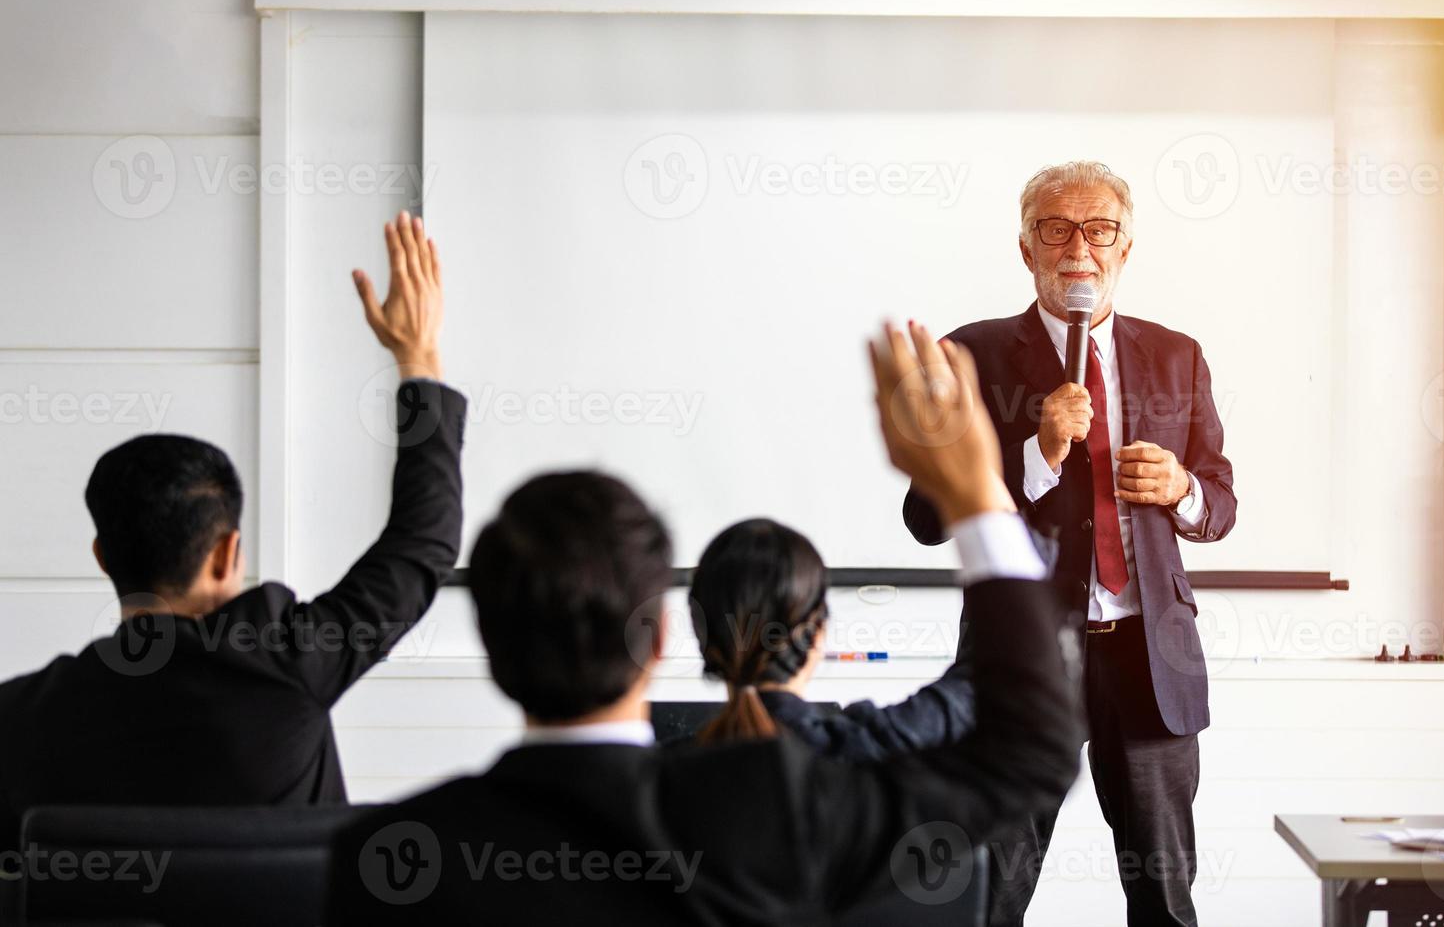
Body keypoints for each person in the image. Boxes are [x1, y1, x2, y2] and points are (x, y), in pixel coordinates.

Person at [327, 322, 1084, 925]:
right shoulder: (777, 811)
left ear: (489, 644)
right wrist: (977, 491)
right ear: (658, 639)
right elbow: (1032, 755)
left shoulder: (394, 860)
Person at [0, 213, 464, 856]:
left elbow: (425, 542)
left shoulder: (22, 720)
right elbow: (424, 541)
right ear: (227, 553)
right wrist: (419, 357)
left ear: (104, 557)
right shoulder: (292, 666)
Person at [904, 162, 1238, 926]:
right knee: (991, 893)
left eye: (1099, 229)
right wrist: (1036, 453)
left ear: (1126, 247)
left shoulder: (1178, 356)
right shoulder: (971, 356)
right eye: (1055, 229)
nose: (1078, 248)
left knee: (1163, 898)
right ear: (1026, 248)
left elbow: (1220, 502)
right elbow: (926, 514)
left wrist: (1182, 489)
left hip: (1148, 656)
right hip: (1025, 658)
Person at [688, 516, 1054, 927]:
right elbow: (1001, 685)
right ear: (819, 633)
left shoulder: (648, 781)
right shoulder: (873, 755)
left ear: (701, 635)